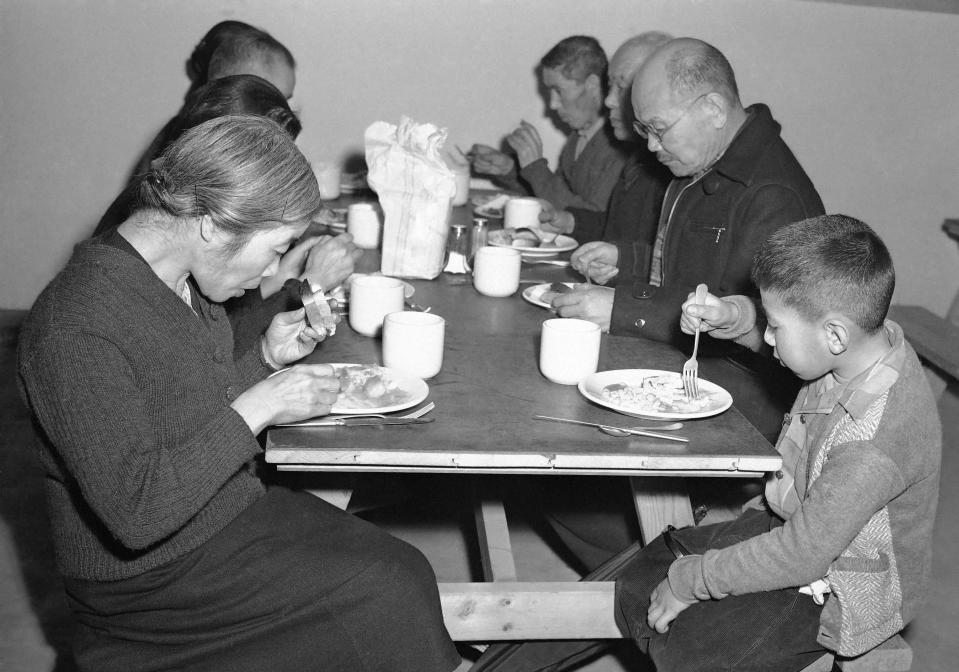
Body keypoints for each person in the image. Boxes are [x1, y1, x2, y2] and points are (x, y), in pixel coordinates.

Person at [17, 116, 459, 672]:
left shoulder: (173, 276)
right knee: (386, 586)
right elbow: (136, 514)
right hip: (146, 580)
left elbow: (185, 408)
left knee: (396, 573)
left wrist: (265, 361)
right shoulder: (73, 326)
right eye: (276, 249)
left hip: (214, 513)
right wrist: (265, 401)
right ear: (212, 225)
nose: (276, 270)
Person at [480, 215, 942, 672]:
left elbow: (803, 554)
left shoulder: (874, 441)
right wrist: (736, 318)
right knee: (641, 579)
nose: (766, 336)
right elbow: (805, 335)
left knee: (691, 649)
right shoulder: (860, 344)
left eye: (774, 327)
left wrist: (694, 580)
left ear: (836, 335)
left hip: (838, 585)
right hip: (793, 522)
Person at [553, 37, 824, 440]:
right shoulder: (701, 163)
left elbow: (761, 328)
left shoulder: (772, 195)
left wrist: (625, 309)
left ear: (712, 109)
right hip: (677, 365)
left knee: (572, 424)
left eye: (658, 129)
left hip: (740, 404)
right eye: (644, 129)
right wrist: (627, 258)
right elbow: (692, 272)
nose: (650, 144)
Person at [93, 74, 362, 354]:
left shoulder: (178, 242)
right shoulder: (108, 309)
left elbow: (214, 364)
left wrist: (282, 274)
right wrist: (307, 283)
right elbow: (221, 351)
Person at [537, 31, 673, 244]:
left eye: (622, 86)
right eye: (611, 86)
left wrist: (534, 168)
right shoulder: (640, 157)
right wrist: (571, 221)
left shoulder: (666, 164)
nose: (609, 100)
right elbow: (617, 228)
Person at [470, 36, 627, 211]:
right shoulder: (579, 137)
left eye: (559, 90)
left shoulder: (619, 148)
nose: (553, 104)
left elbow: (589, 220)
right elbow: (555, 195)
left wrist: (535, 167)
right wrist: (509, 170)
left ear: (592, 84)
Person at [131, 20, 295, 180]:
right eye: (272, 101)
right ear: (228, 92)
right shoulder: (191, 152)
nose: (284, 115)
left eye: (286, 101)